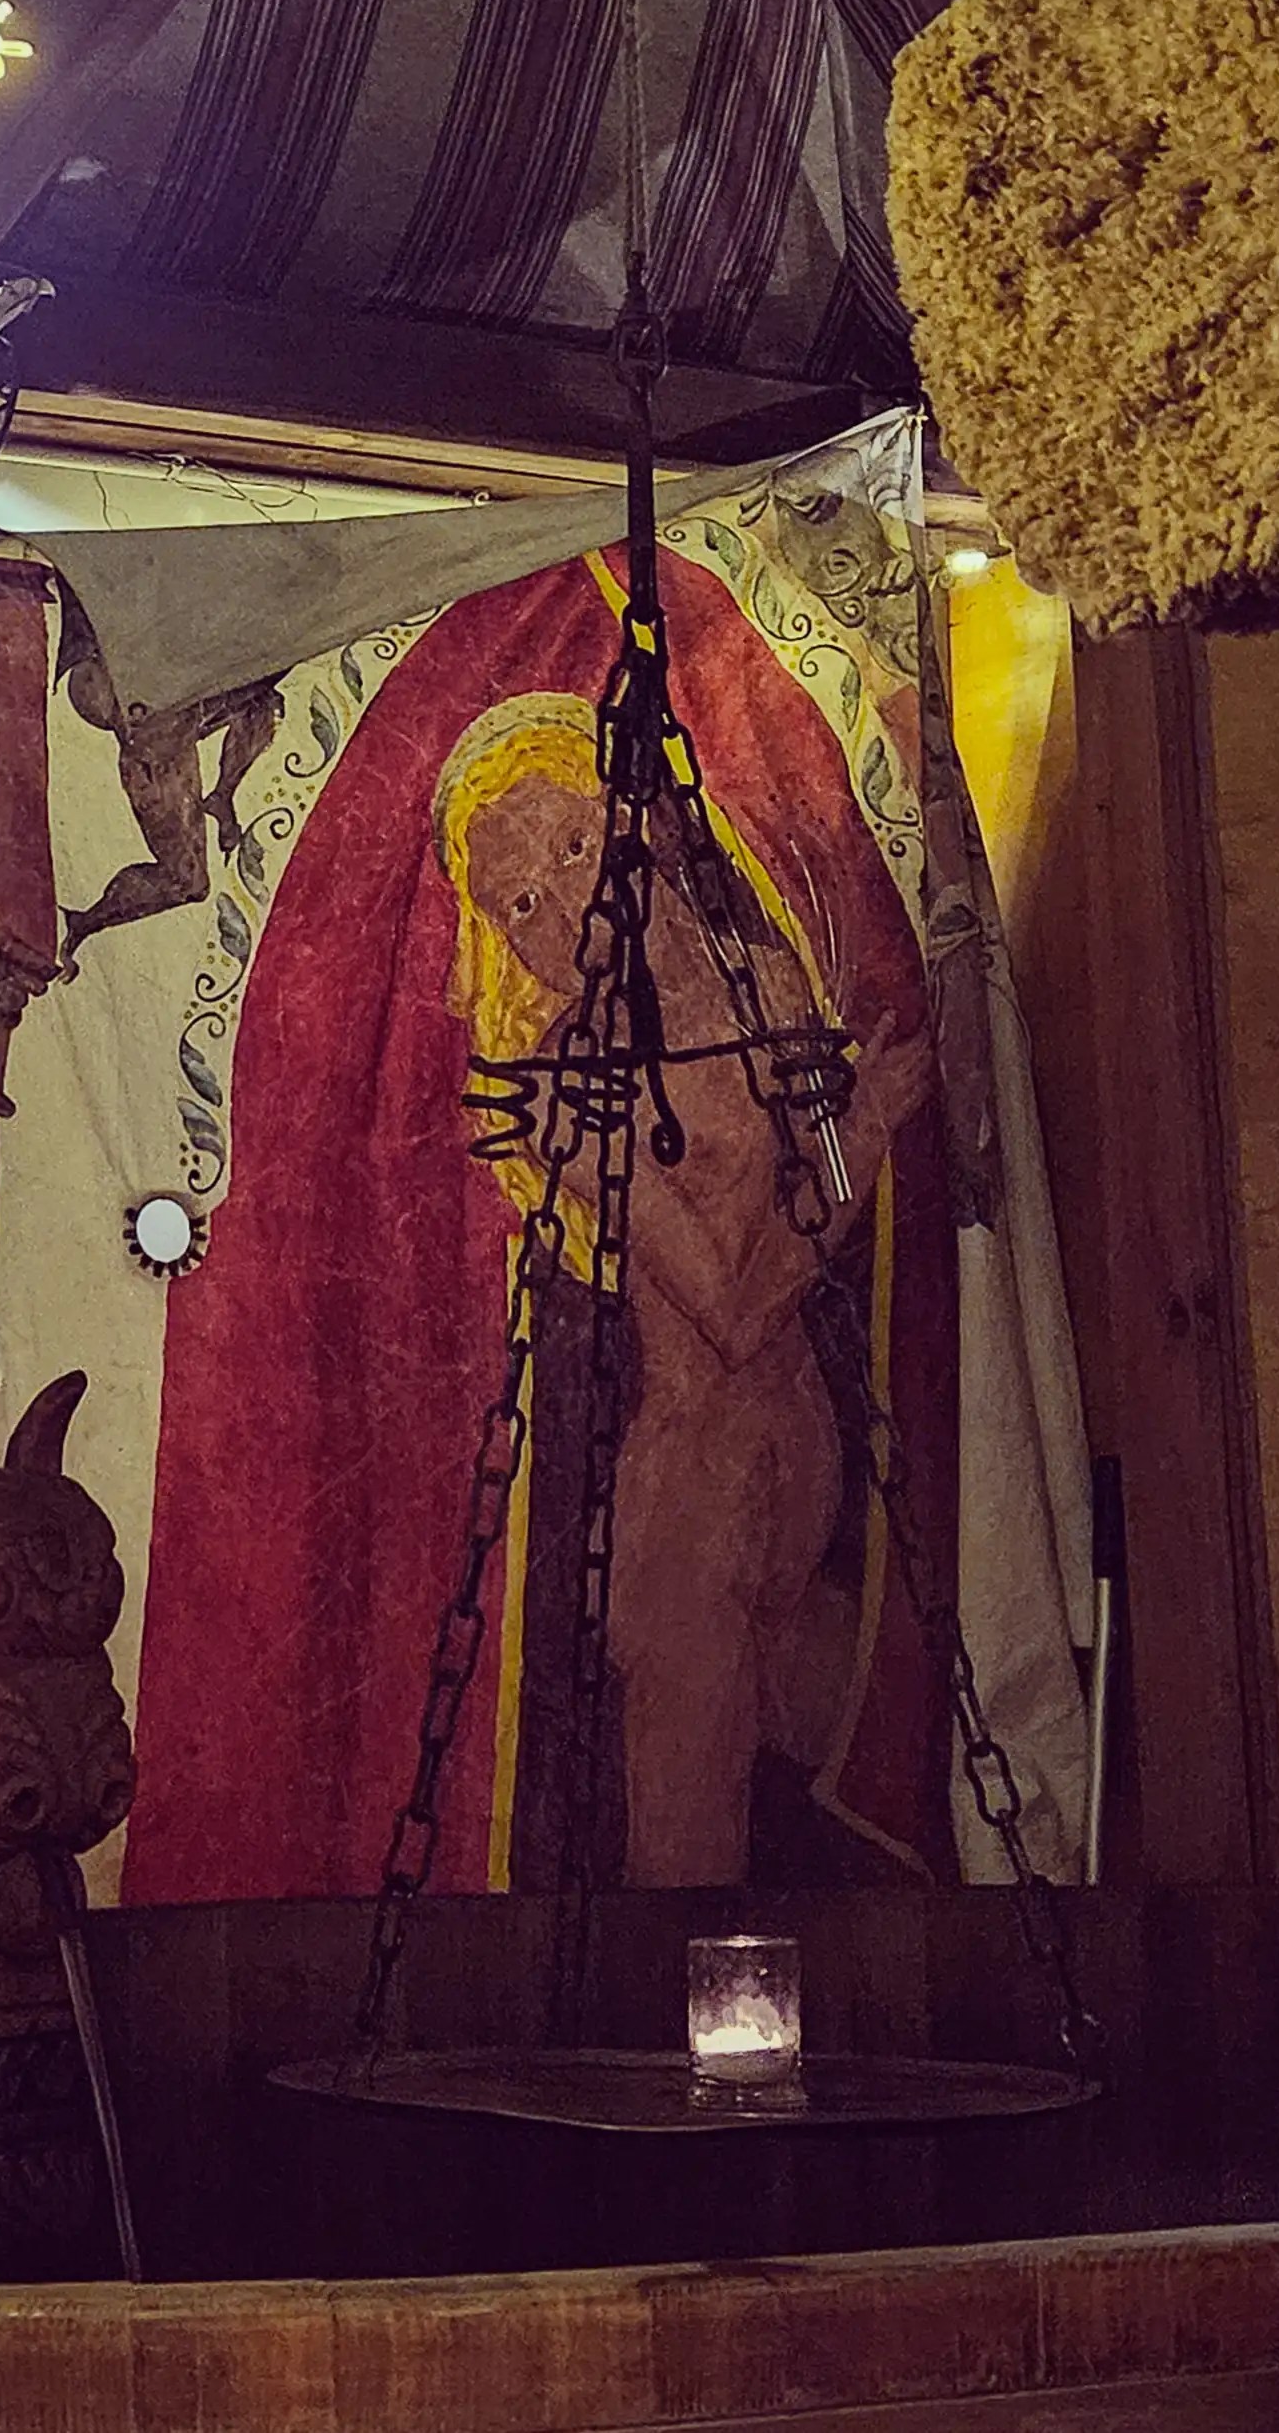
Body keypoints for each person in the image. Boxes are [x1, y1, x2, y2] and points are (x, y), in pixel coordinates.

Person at [433, 696, 932, 1883]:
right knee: (688, 1889)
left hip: (803, 1506)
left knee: (859, 1812)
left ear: (631, 822)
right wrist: (867, 1127)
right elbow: (730, 1301)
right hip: (690, 1532)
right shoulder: (565, 1091)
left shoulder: (764, 982)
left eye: (570, 848)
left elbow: (810, 1188)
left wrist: (858, 1122)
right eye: (522, 907)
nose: (565, 910)